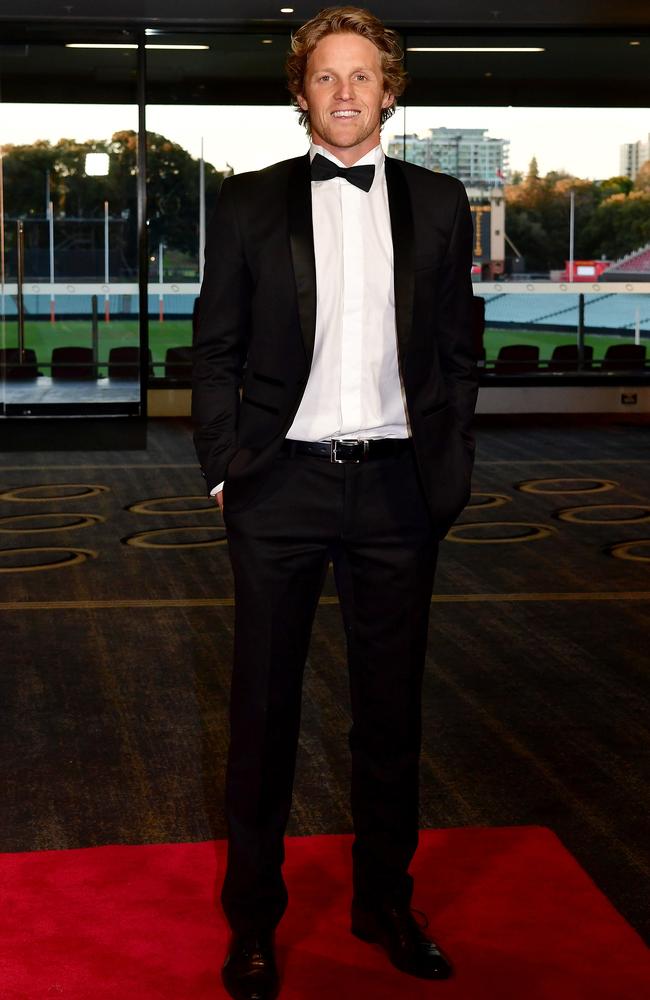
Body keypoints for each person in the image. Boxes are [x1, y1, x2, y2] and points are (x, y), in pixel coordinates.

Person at [192, 7, 477, 998]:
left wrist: (450, 466)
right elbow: (214, 347)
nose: (345, 93)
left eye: (363, 76)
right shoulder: (244, 206)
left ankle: (382, 903)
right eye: (326, 77)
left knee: (389, 716)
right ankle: (255, 925)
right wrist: (227, 468)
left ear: (388, 90)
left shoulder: (441, 204)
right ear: (298, 91)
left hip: (399, 488)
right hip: (279, 488)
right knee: (263, 716)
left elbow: (454, 345)